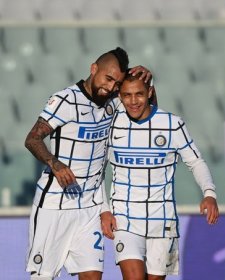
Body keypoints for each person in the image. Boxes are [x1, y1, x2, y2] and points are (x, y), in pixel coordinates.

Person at [24, 47, 152, 280]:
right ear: (94, 69)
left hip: (89, 209)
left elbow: (144, 116)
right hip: (55, 205)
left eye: (117, 83)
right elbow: (32, 139)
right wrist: (55, 163)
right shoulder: (65, 100)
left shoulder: (113, 102)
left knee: (93, 276)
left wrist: (146, 82)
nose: (111, 87)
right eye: (108, 78)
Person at [101, 70, 219, 280]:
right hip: (124, 219)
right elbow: (97, 171)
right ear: (120, 96)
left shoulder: (172, 124)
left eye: (139, 94)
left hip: (162, 221)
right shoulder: (110, 124)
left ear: (150, 93)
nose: (133, 101)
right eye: (127, 95)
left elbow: (196, 161)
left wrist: (209, 194)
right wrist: (104, 210)